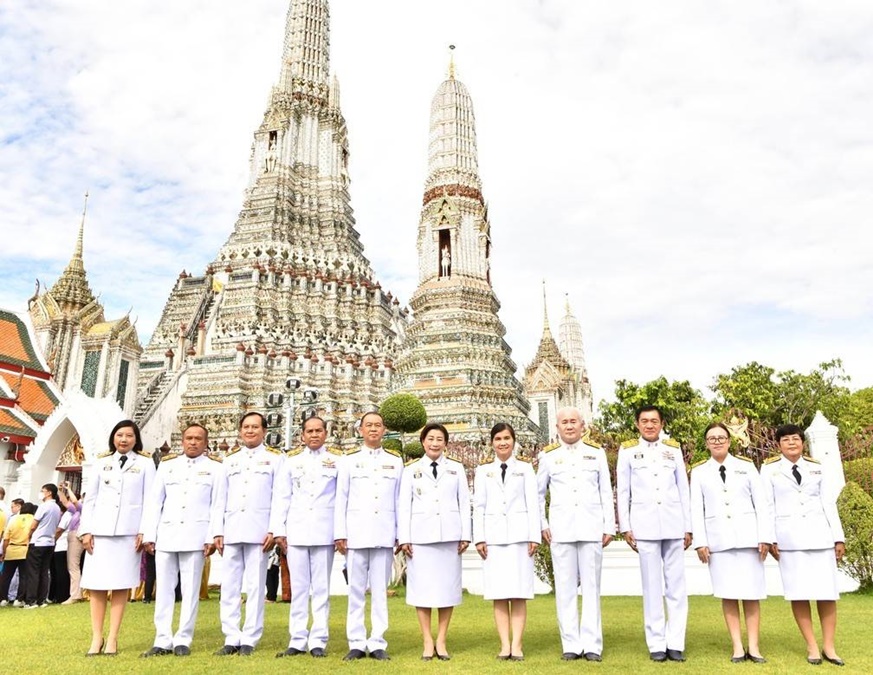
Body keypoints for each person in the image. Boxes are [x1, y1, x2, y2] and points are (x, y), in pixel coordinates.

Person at [761, 424, 846, 666]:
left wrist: (838, 537)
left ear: (802, 442)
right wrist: (770, 538)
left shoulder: (817, 468)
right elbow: (767, 505)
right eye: (786, 440)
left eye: (795, 439)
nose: (791, 443)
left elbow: (829, 502)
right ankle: (811, 646)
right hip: (788, 540)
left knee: (827, 593)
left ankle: (829, 646)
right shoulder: (769, 470)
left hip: (820, 537)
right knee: (799, 594)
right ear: (779, 444)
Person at [537, 407, 615, 661]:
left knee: (591, 587)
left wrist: (608, 527)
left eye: (573, 422)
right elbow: (538, 494)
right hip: (561, 529)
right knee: (565, 588)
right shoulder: (548, 456)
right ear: (557, 427)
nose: (569, 426)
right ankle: (571, 644)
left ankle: (592, 645)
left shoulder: (596, 453)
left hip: (592, 527)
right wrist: (543, 524)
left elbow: (606, 492)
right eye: (564, 423)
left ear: (583, 426)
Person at [141, 423, 224, 658]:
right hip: (167, 535)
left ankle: (183, 639)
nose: (193, 442)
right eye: (189, 438)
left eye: (198, 438)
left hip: (196, 537)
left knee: (190, 591)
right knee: (164, 590)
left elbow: (217, 505)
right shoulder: (168, 467)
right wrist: (149, 534)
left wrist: (211, 535)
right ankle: (162, 639)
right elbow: (155, 502)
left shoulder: (215, 469)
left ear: (206, 443)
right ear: (183, 440)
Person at [690, 422, 771, 663]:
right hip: (718, 542)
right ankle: (737, 646)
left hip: (748, 539)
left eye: (721, 437)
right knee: (728, 594)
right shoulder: (699, 471)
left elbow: (762, 503)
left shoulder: (746, 467)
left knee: (751, 594)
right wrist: (700, 542)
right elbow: (696, 508)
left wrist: (765, 536)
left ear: (729, 440)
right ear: (706, 443)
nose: (717, 441)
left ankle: (754, 647)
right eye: (712, 438)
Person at [616, 405, 692, 662]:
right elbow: (623, 491)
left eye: (654, 421)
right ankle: (656, 643)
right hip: (644, 526)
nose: (650, 425)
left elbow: (684, 489)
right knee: (652, 587)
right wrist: (625, 526)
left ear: (661, 424)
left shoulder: (673, 449)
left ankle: (676, 642)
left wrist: (688, 526)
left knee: (676, 588)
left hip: (673, 524)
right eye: (644, 421)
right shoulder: (628, 451)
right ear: (637, 424)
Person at [79, 419, 156, 656]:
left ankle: (112, 637)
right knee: (97, 586)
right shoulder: (101, 462)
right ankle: (96, 637)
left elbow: (150, 500)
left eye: (129, 436)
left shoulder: (144, 463)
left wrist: (145, 532)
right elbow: (90, 499)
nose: (124, 440)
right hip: (99, 533)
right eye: (120, 435)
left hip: (128, 534)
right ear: (113, 437)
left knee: (121, 586)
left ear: (136, 439)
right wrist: (85, 530)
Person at [212, 412, 284, 657]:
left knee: (255, 586)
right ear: (240, 431)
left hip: (259, 531)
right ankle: (231, 636)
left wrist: (274, 529)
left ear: (264, 431)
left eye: (255, 427)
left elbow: (280, 497)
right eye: (246, 427)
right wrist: (217, 531)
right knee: (229, 587)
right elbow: (219, 498)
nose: (250, 431)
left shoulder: (275, 459)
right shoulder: (230, 460)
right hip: (232, 529)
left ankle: (250, 638)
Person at [398, 423, 471, 661]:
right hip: (420, 538)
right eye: (430, 439)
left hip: (449, 536)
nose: (435, 443)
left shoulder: (456, 469)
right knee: (422, 591)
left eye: (440, 439)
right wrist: (405, 538)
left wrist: (465, 534)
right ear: (423, 442)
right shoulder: (410, 470)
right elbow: (404, 505)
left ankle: (441, 639)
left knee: (447, 590)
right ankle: (427, 640)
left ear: (446, 443)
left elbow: (464, 502)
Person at [334, 411, 403, 661]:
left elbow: (399, 501)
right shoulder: (348, 460)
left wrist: (400, 534)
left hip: (384, 533)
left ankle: (377, 642)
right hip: (355, 533)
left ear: (384, 430)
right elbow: (340, 499)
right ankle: (356, 641)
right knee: (355, 590)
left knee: (380, 591)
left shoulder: (395, 461)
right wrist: (340, 533)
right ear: (360, 430)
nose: (373, 429)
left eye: (378, 425)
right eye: (368, 425)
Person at [274, 416, 343, 658]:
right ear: (302, 435)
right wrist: (279, 530)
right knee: (299, 589)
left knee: (322, 589)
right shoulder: (291, 461)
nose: (314, 435)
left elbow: (341, 499)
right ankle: (297, 639)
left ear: (326, 433)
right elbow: (282, 496)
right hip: (297, 531)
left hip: (325, 532)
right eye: (309, 431)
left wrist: (339, 533)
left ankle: (318, 640)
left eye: (318, 431)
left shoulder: (336, 460)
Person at [473, 423, 540, 661]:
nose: (503, 443)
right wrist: (479, 537)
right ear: (492, 442)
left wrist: (535, 536)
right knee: (499, 593)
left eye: (507, 438)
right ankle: (504, 645)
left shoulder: (525, 469)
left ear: (514, 441)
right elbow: (478, 506)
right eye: (498, 439)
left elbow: (533, 503)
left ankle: (518, 645)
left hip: (520, 537)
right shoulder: (483, 471)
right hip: (493, 538)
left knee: (519, 593)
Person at [22, 483, 62, 608]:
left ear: (49, 492)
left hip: (38, 542)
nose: (41, 493)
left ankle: (31, 600)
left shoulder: (44, 506)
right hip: (50, 542)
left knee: (33, 571)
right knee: (44, 571)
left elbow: (34, 524)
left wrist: (29, 535)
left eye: (42, 490)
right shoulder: (57, 508)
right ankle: (41, 599)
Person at [58, 483, 84, 603]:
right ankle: (77, 593)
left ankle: (75, 594)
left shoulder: (83, 509)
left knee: (73, 566)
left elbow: (73, 501)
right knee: (73, 566)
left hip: (77, 536)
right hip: (73, 535)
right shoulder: (77, 511)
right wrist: (61, 490)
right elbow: (65, 502)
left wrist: (68, 489)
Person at [0, 499, 30, 605]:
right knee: (23, 576)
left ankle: (3, 598)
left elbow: (6, 538)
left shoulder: (13, 519)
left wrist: (4, 552)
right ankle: (19, 599)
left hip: (11, 549)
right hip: (25, 550)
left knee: (6, 576)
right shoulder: (32, 520)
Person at [49, 497, 72, 603]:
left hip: (61, 546)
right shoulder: (74, 514)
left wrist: (52, 541)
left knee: (60, 572)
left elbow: (59, 530)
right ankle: (57, 595)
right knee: (61, 572)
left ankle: (60, 596)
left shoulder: (68, 514)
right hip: (66, 546)